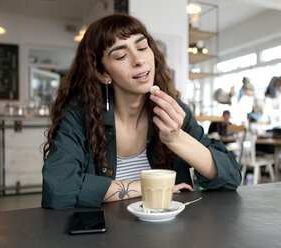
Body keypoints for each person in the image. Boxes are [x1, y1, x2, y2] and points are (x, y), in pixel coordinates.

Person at [41, 14, 242, 210]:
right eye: (121, 55)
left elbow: (230, 177)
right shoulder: (79, 116)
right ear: (103, 73)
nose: (138, 60)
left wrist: (176, 138)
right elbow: (59, 190)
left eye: (142, 47)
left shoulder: (172, 111)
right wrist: (154, 187)